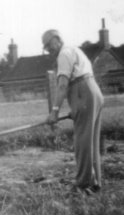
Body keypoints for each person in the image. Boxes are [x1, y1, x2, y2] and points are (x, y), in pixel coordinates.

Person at [42, 29, 104, 195]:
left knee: (82, 143)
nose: (48, 49)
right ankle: (94, 184)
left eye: (49, 44)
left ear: (58, 39)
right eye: (46, 47)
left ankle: (83, 185)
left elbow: (62, 85)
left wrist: (54, 111)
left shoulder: (64, 54)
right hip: (91, 93)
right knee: (91, 141)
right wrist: (75, 109)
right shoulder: (73, 50)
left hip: (83, 93)